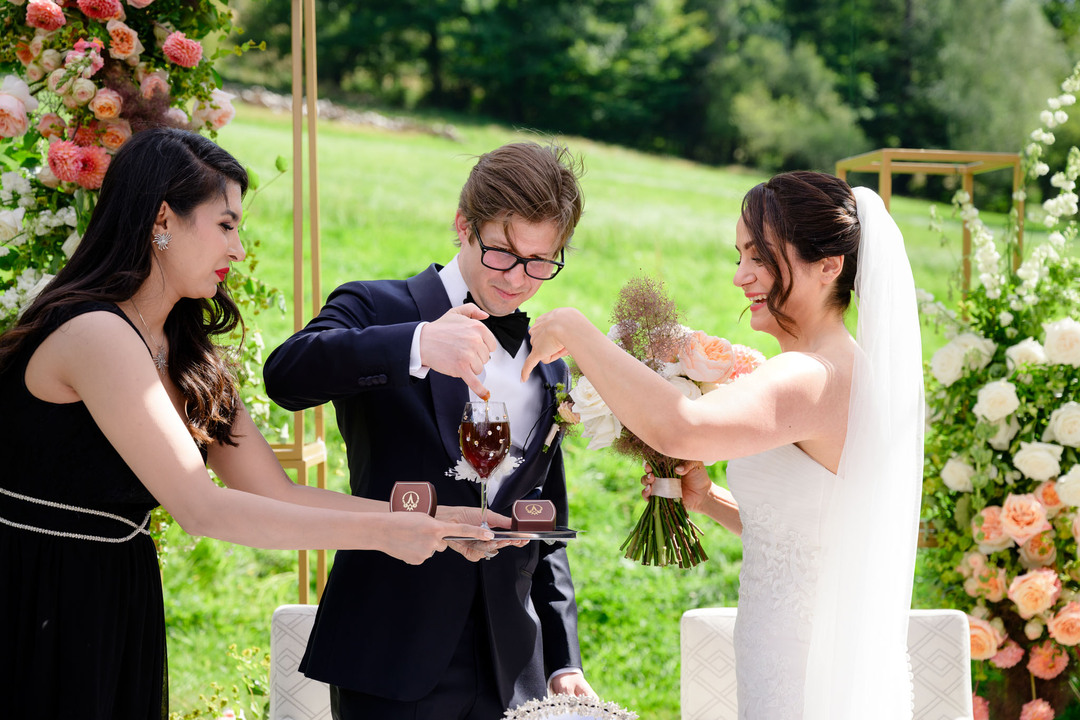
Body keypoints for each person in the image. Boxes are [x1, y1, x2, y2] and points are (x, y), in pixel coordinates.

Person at [0, 127, 496, 720]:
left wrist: (433, 519)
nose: (238, 249)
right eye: (226, 225)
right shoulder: (95, 332)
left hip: (113, 591)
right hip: (29, 594)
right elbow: (202, 509)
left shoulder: (187, 353)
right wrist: (385, 535)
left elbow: (275, 491)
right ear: (163, 218)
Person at [522, 171, 924, 719]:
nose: (741, 276)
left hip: (805, 676)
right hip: (795, 654)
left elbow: (681, 427)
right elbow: (821, 536)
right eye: (739, 255)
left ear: (829, 266)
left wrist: (575, 329)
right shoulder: (844, 367)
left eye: (760, 258)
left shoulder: (811, 375)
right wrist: (710, 500)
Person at [263, 140, 595, 719]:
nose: (520, 280)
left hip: (513, 668)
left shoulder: (550, 361)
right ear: (462, 225)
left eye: (543, 261)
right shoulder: (376, 307)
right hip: (390, 653)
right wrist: (418, 343)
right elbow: (286, 375)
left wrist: (564, 658)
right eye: (503, 253)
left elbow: (545, 513)